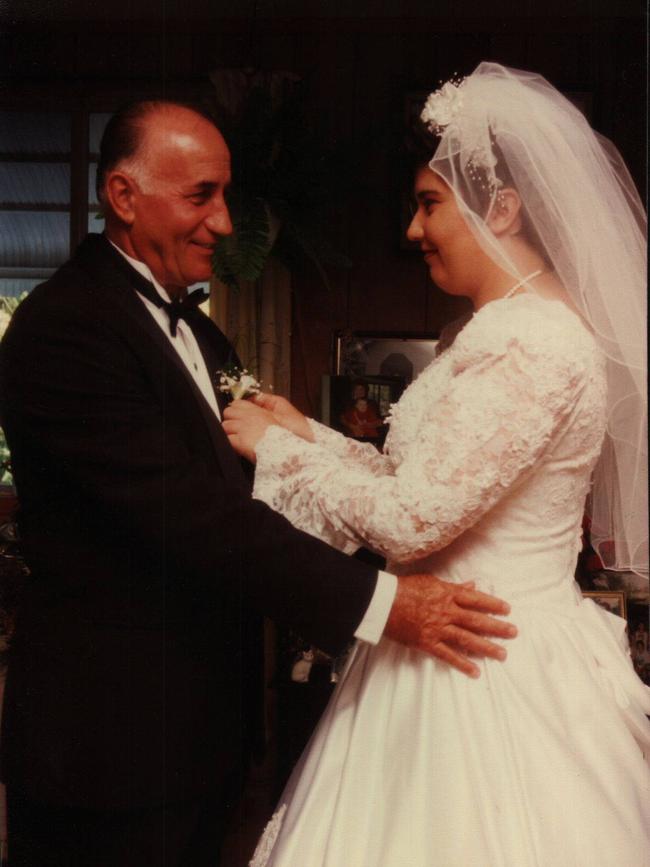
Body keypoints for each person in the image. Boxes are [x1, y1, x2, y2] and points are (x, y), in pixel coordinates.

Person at [0, 100, 516, 867]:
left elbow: (265, 481)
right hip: (108, 746)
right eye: (200, 196)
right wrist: (382, 602)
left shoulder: (199, 329)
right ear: (123, 195)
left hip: (198, 735)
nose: (224, 223)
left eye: (227, 195)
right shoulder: (66, 327)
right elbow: (196, 516)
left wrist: (313, 448)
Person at [223, 63, 650, 865]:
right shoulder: (490, 331)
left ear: (503, 206)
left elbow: (415, 520)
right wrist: (310, 436)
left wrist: (273, 450)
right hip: (435, 641)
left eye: (428, 204)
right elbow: (418, 479)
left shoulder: (536, 341)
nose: (413, 230)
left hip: (485, 665)